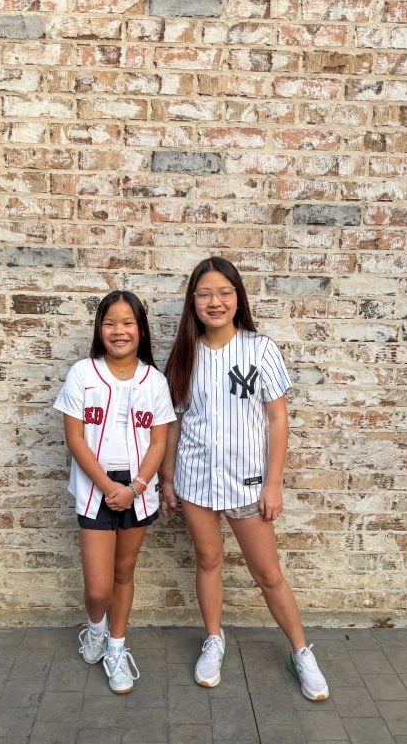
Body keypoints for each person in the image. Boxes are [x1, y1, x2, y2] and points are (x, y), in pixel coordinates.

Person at [161, 256, 329, 701]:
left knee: (268, 572)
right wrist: (168, 480)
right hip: (196, 479)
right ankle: (213, 639)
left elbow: (277, 419)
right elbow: (175, 422)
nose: (214, 302)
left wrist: (273, 484)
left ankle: (301, 651)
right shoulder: (185, 354)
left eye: (223, 292)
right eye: (204, 294)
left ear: (237, 297)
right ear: (192, 301)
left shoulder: (260, 349)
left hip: (248, 481)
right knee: (208, 560)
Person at [54, 291, 175, 693]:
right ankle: (95, 627)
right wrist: (110, 487)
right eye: (110, 323)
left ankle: (117, 647)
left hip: (139, 489)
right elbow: (75, 438)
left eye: (127, 323)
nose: (118, 331)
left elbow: (159, 442)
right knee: (98, 587)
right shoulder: (83, 373)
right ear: (99, 329)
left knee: (124, 573)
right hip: (96, 490)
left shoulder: (154, 381)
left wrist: (135, 487)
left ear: (141, 330)